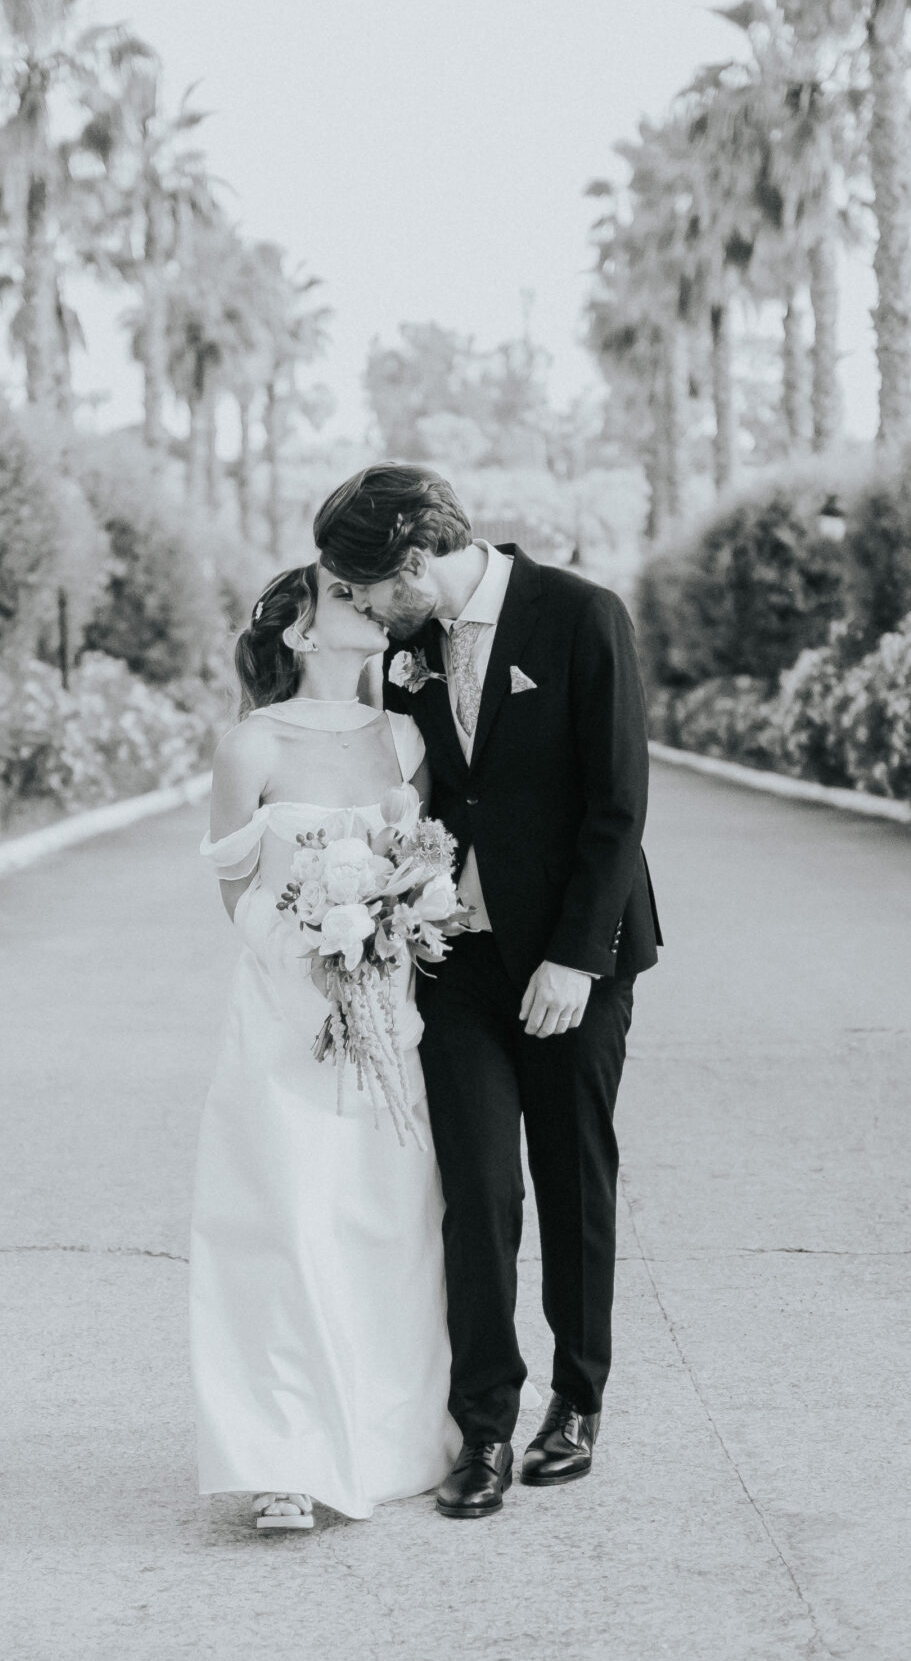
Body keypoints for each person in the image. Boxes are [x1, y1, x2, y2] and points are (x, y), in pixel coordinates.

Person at [315, 463, 660, 1521]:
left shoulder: (582, 615)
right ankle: (484, 1426)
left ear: (416, 560)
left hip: (573, 960)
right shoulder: (408, 653)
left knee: (572, 1176)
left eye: (366, 586)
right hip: (456, 960)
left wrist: (575, 958)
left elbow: (617, 804)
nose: (363, 606)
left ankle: (578, 1403)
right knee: (477, 1188)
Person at [188, 563, 459, 1532]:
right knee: (289, 1223)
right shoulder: (251, 744)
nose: (371, 604)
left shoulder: (406, 737)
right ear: (302, 629)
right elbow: (234, 885)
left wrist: (389, 927)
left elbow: (425, 863)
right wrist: (306, 938)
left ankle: (386, 1441)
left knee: (384, 1226)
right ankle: (283, 1458)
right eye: (345, 594)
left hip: (387, 1017)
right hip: (282, 1020)